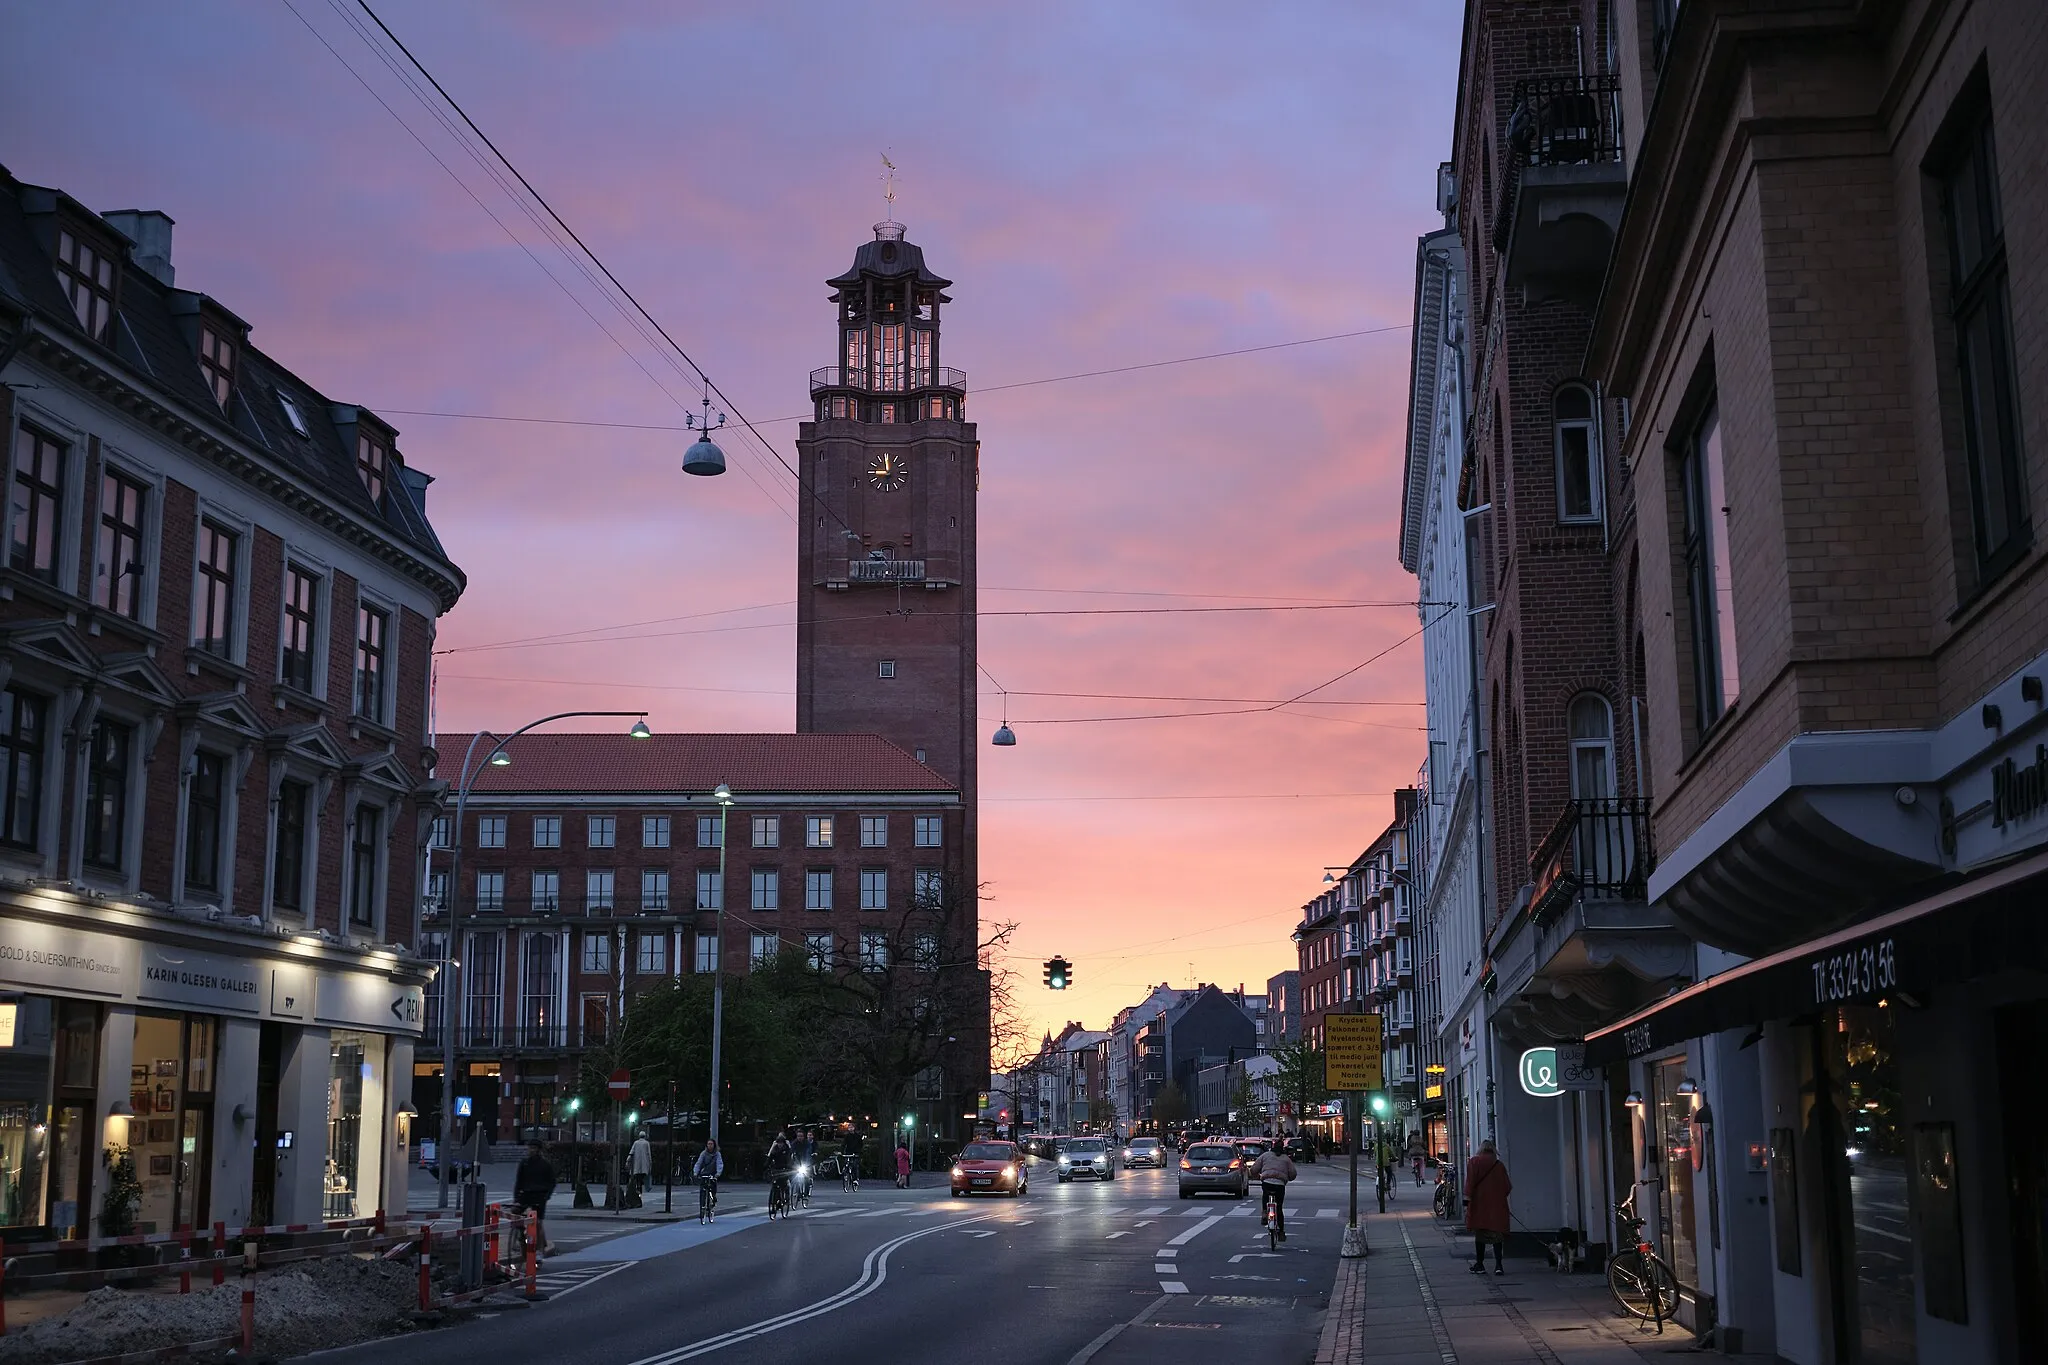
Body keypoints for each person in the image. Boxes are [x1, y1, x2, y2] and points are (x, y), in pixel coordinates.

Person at [1465, 1139, 1512, 1275]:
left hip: (1479, 1206)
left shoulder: (1474, 1162)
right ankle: (1498, 1266)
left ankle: (1480, 1264)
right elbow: (1507, 1187)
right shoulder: (1499, 1165)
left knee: (1480, 1236)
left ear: (1481, 1149)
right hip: (1496, 1206)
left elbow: (1469, 1184)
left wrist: (1467, 1199)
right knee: (1497, 1236)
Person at [512, 1140, 558, 1257]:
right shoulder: (524, 1163)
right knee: (515, 1213)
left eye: (534, 1148)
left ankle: (540, 1248)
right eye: (530, 1148)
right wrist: (516, 1199)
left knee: (537, 1222)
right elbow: (519, 1181)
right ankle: (521, 1237)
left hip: (539, 1196)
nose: (531, 1150)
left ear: (538, 1150)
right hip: (525, 1194)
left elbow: (552, 1182)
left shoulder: (545, 1164)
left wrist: (546, 1196)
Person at [1247, 1143, 1299, 1240]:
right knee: (1279, 1207)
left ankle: (1264, 1213)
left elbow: (1254, 1168)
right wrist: (1288, 1178)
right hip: (1280, 1184)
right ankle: (1281, 1232)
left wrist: (1256, 1175)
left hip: (1267, 1181)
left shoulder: (1265, 1155)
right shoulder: (1286, 1159)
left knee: (1265, 1196)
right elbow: (1293, 1173)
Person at [628, 1129, 653, 1204]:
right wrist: (650, 1163)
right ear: (645, 1136)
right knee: (643, 1178)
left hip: (637, 1165)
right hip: (644, 1164)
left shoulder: (636, 1143)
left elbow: (631, 1152)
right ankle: (640, 1191)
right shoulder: (646, 1143)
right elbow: (649, 1154)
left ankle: (638, 1191)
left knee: (637, 1178)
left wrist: (627, 1160)